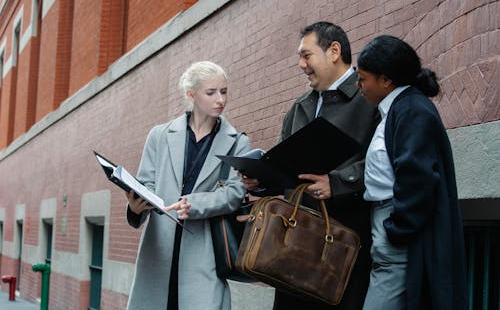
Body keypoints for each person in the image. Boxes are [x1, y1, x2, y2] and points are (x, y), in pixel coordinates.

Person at [242, 21, 379, 310]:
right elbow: (284, 167)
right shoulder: (300, 106)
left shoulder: (369, 101)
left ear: (333, 51)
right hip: (292, 246)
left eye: (306, 55)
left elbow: (387, 164)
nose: (301, 64)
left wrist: (338, 182)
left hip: (342, 247)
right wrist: (261, 180)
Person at [125, 61, 251, 310]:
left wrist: (194, 204)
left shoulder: (237, 142)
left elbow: (235, 192)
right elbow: (146, 183)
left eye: (224, 91)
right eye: (211, 92)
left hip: (203, 253)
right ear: (191, 94)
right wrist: (136, 207)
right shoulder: (159, 136)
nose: (220, 99)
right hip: (159, 253)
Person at [356, 35, 467, 310]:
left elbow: (418, 177)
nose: (359, 86)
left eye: (363, 78)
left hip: (396, 230)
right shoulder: (396, 108)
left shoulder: (411, 109)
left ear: (385, 80)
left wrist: (395, 229)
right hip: (388, 225)